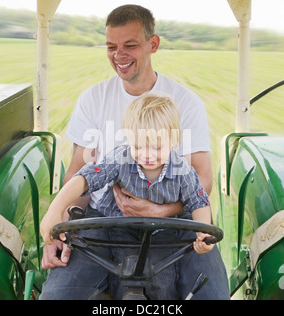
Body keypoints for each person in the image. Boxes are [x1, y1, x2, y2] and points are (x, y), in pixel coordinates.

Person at [40, 4, 229, 300]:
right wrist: (61, 221)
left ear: (152, 44)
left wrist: (162, 211)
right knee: (58, 296)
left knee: (212, 296)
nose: (119, 55)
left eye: (129, 45)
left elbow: (202, 181)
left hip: (176, 222)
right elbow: (80, 174)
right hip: (102, 220)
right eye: (111, 47)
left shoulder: (186, 103)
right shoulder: (93, 100)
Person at [40, 94, 215, 298]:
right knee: (125, 277)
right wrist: (55, 210)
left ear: (174, 140)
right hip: (118, 224)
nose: (147, 154)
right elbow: (84, 179)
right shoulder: (120, 159)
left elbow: (198, 201)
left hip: (162, 229)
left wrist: (203, 234)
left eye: (157, 147)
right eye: (139, 146)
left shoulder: (182, 170)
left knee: (161, 284)